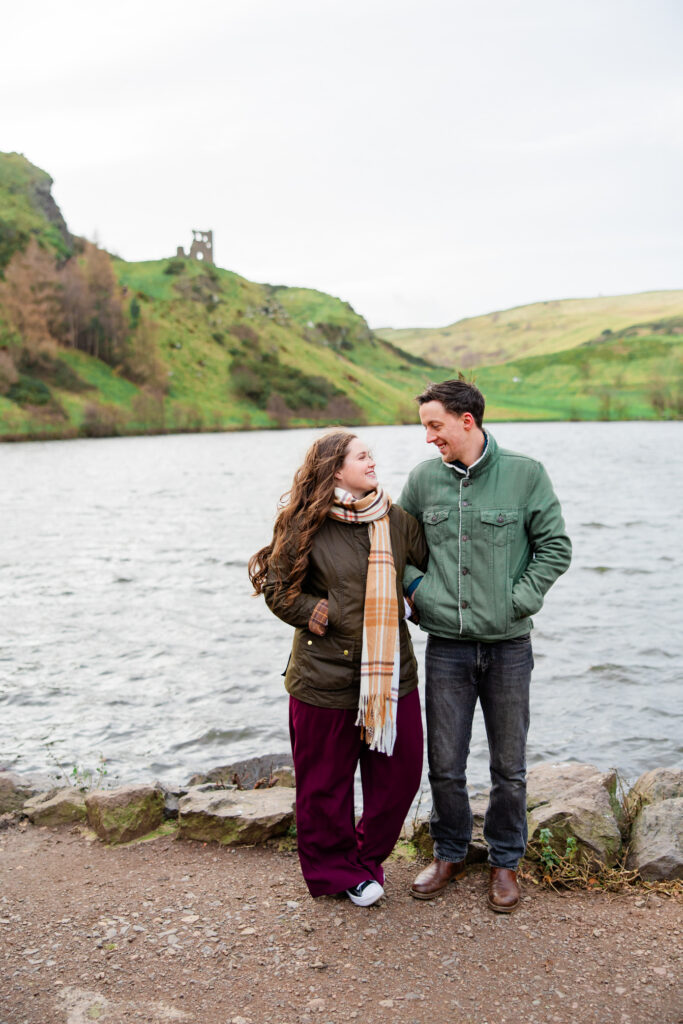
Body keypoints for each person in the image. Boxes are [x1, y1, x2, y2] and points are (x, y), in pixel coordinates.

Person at [398, 378, 571, 913]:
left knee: (509, 766)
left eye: (435, 426)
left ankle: (504, 863)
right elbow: (396, 549)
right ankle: (449, 853)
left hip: (509, 647)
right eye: (425, 427)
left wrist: (517, 601)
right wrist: (419, 592)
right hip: (446, 648)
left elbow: (555, 547)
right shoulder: (423, 482)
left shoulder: (525, 474)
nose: (429, 438)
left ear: (466, 421)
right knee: (445, 763)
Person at [249, 430, 428, 907]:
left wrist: (416, 598)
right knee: (322, 787)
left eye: (371, 454)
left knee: (403, 773)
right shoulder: (303, 523)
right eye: (362, 456)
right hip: (322, 678)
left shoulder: (396, 519)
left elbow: (421, 567)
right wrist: (317, 612)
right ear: (335, 469)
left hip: (390, 674)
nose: (373, 461)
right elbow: (277, 589)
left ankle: (364, 861)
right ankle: (334, 872)